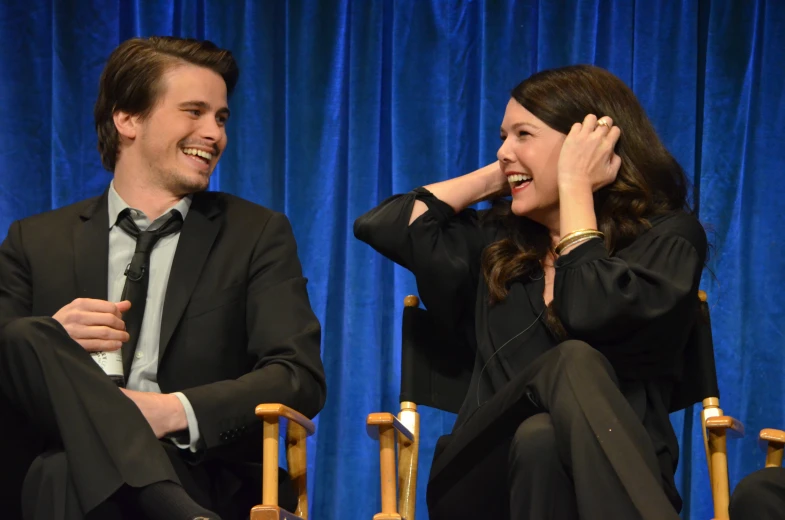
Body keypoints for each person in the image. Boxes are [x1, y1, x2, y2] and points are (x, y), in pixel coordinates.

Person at [354, 64, 707, 519]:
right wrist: (502, 175)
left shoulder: (666, 238)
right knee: (570, 362)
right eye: (503, 137)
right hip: (476, 478)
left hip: (617, 471)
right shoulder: (498, 242)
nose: (503, 150)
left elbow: (588, 308)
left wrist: (574, 186)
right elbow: (380, 225)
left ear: (587, 143)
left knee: (541, 438)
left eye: (523, 134)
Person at [0, 36, 326, 520]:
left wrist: (173, 411)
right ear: (127, 118)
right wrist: (54, 340)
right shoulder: (35, 240)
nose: (214, 133)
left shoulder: (255, 234)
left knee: (63, 474)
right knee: (26, 336)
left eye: (220, 118)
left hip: (197, 468)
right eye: (193, 112)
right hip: (51, 464)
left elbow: (297, 376)